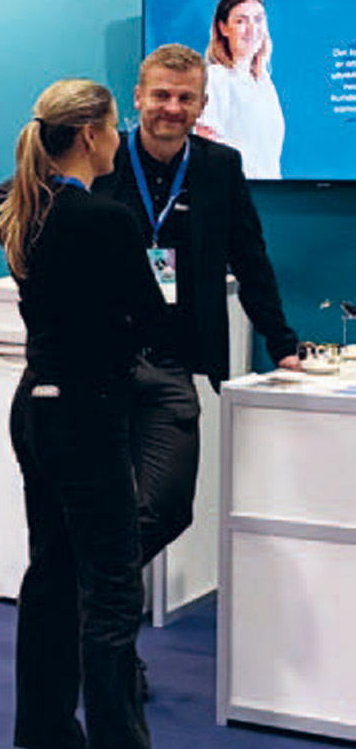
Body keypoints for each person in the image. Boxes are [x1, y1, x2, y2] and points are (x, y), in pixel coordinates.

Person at [0, 77, 210, 749]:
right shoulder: (104, 220)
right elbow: (152, 320)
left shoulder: (21, 208)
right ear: (89, 134)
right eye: (113, 126)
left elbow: (3, 193)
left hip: (37, 408)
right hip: (88, 413)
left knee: (51, 572)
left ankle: (50, 740)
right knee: (112, 595)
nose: (120, 139)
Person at [95, 44, 299, 573]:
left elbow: (250, 259)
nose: (172, 107)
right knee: (95, 504)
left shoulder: (219, 166)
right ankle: (101, 614)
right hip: (99, 363)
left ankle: (88, 586)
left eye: (186, 98)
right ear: (137, 97)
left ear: (203, 104)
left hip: (172, 362)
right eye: (161, 95)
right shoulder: (102, 159)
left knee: (167, 508)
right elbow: (15, 204)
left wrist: (283, 344)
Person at [196, 0, 284, 180]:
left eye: (258, 19)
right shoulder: (217, 77)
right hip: (234, 192)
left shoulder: (264, 83)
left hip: (269, 191)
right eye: (241, 21)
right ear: (223, 28)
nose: (252, 30)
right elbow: (206, 144)